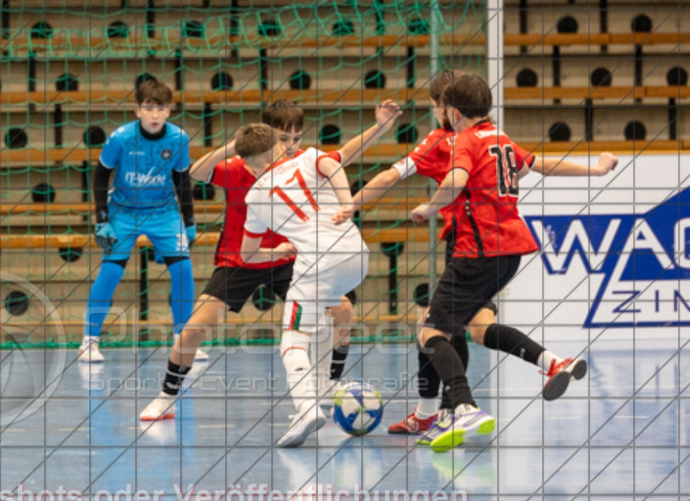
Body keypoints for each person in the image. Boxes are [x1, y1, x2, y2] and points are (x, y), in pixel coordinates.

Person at [349, 71, 619, 437]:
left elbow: (412, 177)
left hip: (474, 246)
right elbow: (538, 165)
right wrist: (596, 170)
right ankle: (550, 362)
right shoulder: (499, 137)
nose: (435, 114)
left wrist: (420, 207)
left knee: (431, 329)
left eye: (436, 107)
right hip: (510, 249)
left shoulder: (456, 140)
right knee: (475, 327)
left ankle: (457, 408)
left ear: (450, 109)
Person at [138, 99, 402, 421]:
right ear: (265, 137)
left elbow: (345, 154)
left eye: (295, 139)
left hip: (289, 258)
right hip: (240, 260)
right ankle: (166, 396)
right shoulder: (239, 168)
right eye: (281, 139)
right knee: (194, 329)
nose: (290, 147)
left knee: (342, 309)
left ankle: (330, 385)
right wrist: (234, 146)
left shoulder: (302, 164)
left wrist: (381, 127)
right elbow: (197, 171)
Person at [237, 123, 370, 448]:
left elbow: (247, 254)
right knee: (321, 315)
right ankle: (326, 386)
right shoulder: (309, 156)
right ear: (280, 147)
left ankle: (307, 407)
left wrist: (279, 249)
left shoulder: (254, 196)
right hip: (357, 255)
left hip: (320, 263)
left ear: (247, 164)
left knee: (292, 340)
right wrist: (346, 204)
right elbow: (333, 164)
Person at [78, 79, 198, 363]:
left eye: (161, 108)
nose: (155, 115)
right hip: (122, 212)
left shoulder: (178, 139)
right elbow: (99, 176)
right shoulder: (120, 138)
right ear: (137, 110)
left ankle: (182, 339)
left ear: (169, 111)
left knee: (183, 270)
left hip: (164, 212)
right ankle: (89, 341)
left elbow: (182, 181)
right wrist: (102, 219)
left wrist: (189, 220)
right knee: (110, 272)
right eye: (149, 108)